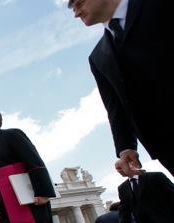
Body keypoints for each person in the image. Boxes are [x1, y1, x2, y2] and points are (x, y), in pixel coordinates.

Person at [68, 0, 174, 176]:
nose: (76, 13)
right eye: (73, 9)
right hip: (165, 141)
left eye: (79, 4)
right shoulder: (97, 57)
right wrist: (125, 147)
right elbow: (115, 107)